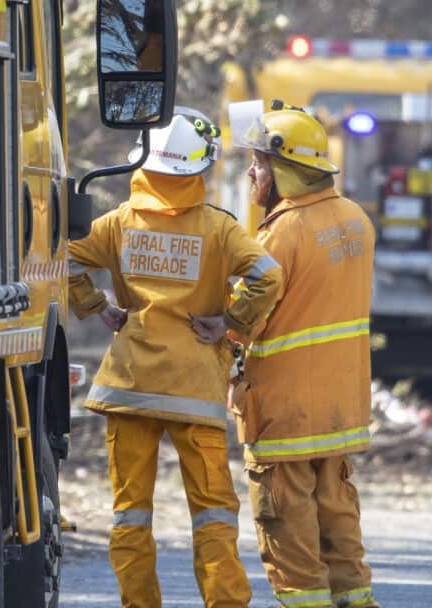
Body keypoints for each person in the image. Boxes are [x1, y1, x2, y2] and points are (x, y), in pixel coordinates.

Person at [68, 107, 283, 608]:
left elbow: (62, 255)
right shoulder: (219, 229)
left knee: (130, 514)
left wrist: (97, 306)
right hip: (193, 390)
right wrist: (231, 323)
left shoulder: (118, 223)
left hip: (129, 387)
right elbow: (268, 277)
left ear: (144, 161)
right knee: (211, 513)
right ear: (198, 168)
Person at [229, 100, 380, 608]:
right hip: (338, 407)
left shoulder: (280, 233)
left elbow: (250, 312)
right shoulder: (356, 220)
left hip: (285, 411)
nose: (252, 173)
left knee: (287, 527)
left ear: (283, 169)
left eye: (258, 163)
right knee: (337, 519)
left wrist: (219, 325)